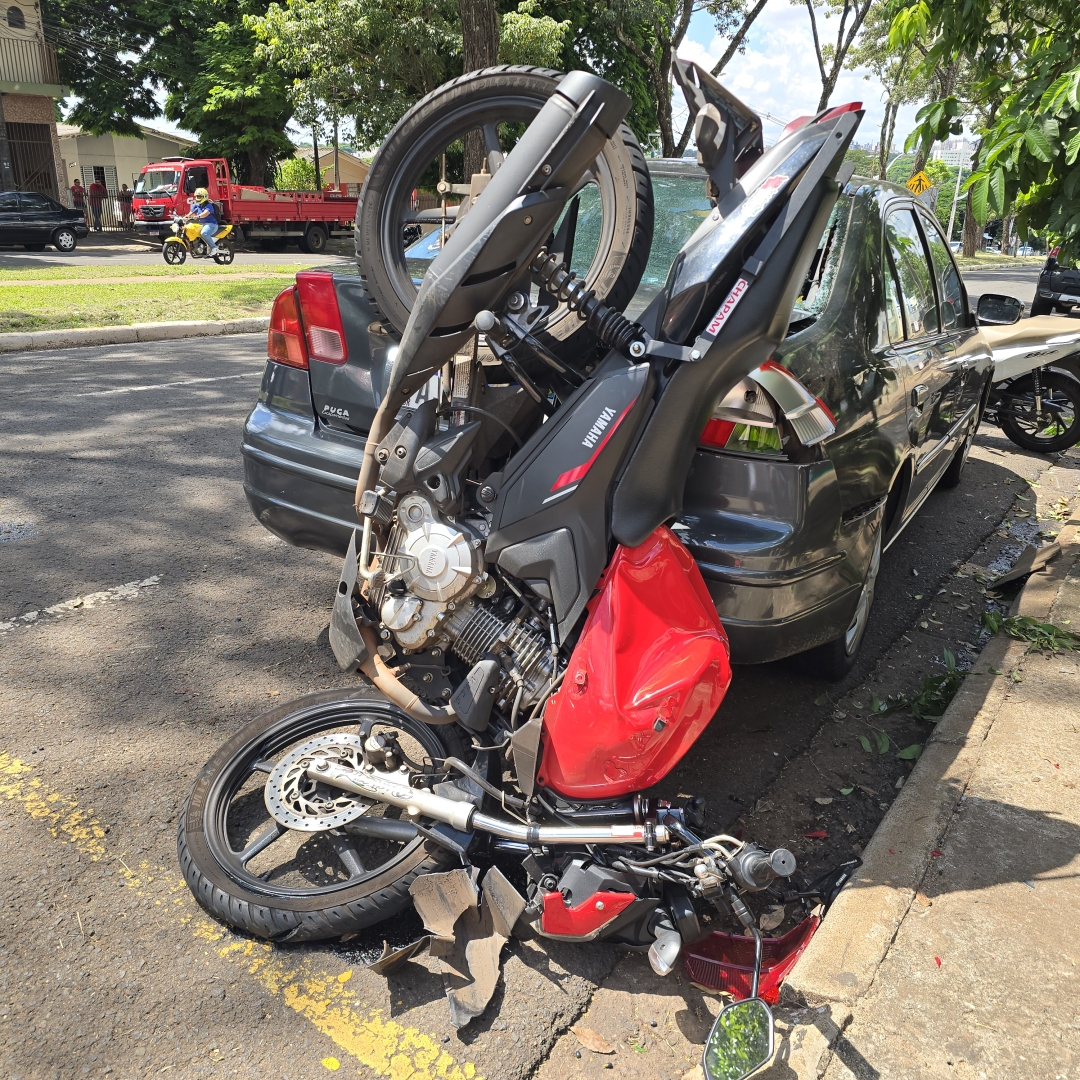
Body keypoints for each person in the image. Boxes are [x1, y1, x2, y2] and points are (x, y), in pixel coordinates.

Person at [189, 187, 220, 255]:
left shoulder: (209, 205)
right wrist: (184, 217)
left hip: (211, 224)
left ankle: (214, 247)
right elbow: (190, 214)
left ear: (205, 196)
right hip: (201, 224)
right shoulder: (196, 205)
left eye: (200, 196)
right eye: (197, 196)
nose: (198, 198)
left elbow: (205, 213)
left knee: (204, 233)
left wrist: (198, 216)